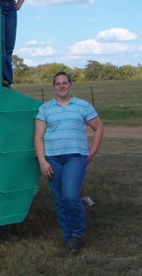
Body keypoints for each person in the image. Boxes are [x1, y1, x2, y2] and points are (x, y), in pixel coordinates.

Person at [34, 71, 104, 254]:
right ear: (53, 86)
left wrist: (91, 153)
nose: (62, 86)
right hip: (53, 158)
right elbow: (38, 136)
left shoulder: (83, 106)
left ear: (70, 85)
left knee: (70, 196)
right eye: (58, 83)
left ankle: (78, 233)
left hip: (75, 157)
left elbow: (98, 128)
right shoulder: (45, 109)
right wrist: (42, 161)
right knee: (59, 200)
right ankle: (69, 238)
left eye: (65, 82)